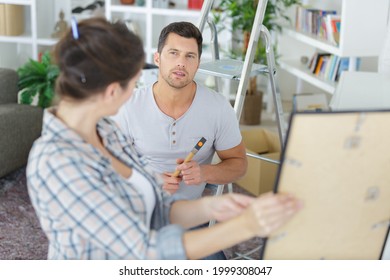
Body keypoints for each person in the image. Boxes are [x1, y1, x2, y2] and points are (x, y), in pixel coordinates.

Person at [26, 17, 302, 260]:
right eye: (134, 82)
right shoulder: (56, 162)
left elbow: (157, 206)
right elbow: (143, 250)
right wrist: (247, 225)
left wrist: (213, 205)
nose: (137, 90)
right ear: (112, 91)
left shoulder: (104, 132)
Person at [111, 21, 247, 201]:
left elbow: (239, 164)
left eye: (190, 56)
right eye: (173, 53)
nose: (181, 63)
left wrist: (205, 172)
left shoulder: (218, 107)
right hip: (137, 208)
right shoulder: (128, 105)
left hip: (190, 216)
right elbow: (108, 164)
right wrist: (148, 179)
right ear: (157, 58)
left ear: (198, 63)